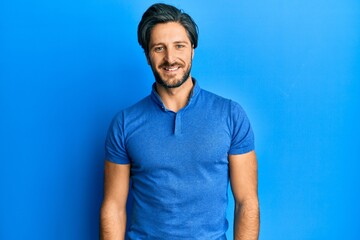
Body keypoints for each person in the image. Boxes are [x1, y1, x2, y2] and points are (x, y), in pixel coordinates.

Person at [100, 3, 259, 240]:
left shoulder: (230, 115)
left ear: (192, 49)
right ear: (147, 55)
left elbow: (247, 202)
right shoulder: (124, 123)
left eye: (179, 46)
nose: (170, 58)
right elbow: (113, 206)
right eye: (159, 48)